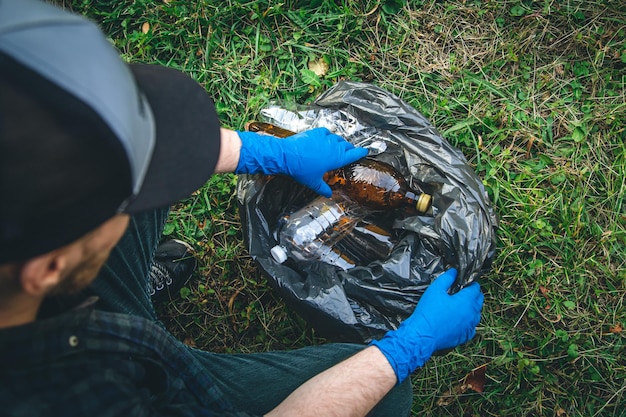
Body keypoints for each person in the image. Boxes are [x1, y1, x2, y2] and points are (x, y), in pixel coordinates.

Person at [0, 1, 484, 416]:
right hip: (121, 369)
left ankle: (120, 297)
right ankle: (123, 311)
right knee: (385, 396)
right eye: (114, 206)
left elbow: (135, 148)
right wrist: (405, 350)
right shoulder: (74, 396)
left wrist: (269, 153)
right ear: (48, 267)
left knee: (151, 171)